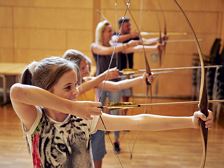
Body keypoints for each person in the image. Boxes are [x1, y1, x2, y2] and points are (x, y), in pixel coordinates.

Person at [10, 56, 213, 168]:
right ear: (47, 90)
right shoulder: (36, 120)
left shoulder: (85, 119)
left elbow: (139, 121)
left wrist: (190, 121)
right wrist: (74, 107)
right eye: (68, 87)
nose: (76, 91)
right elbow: (17, 91)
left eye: (77, 85)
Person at [63, 49, 154, 168]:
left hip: (96, 127)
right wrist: (104, 75)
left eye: (87, 67)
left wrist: (142, 79)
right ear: (73, 70)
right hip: (77, 131)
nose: (87, 71)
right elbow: (81, 89)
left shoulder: (90, 80)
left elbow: (117, 86)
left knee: (97, 157)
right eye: (83, 68)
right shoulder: (69, 89)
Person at [91, 19, 161, 155]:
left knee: (116, 113)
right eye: (109, 30)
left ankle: (116, 141)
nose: (112, 33)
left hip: (115, 84)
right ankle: (96, 141)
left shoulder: (115, 44)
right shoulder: (95, 46)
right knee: (97, 113)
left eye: (112, 30)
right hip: (100, 84)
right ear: (102, 33)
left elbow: (133, 48)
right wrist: (126, 44)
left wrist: (155, 47)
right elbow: (106, 51)